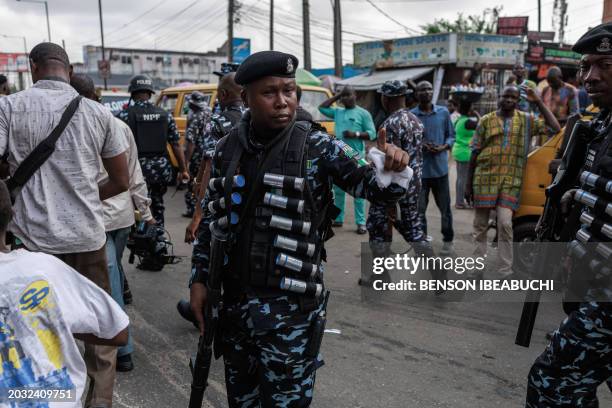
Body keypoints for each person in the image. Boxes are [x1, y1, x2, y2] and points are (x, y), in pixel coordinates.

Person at [189, 50, 409, 407]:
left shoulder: (316, 144)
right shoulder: (228, 147)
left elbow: (375, 189)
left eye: (289, 91)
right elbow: (214, 222)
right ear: (246, 98)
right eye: (270, 92)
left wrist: (392, 167)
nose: (282, 102)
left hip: (290, 312)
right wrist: (198, 278)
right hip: (234, 308)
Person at [0, 42, 129, 407]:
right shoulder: (98, 113)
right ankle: (99, 401)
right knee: (99, 335)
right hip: (87, 238)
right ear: (68, 71)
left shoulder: (9, 106)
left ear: (33, 67)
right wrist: (84, 198)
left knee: (39, 330)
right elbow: (120, 180)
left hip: (32, 244)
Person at [525, 22, 612, 408]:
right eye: (587, 66)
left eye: (605, 65)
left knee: (551, 382)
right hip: (590, 282)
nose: (591, 76)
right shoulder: (601, 125)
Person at [0, 180, 130, 408]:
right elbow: (118, 333)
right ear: (11, 217)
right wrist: (53, 324)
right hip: (60, 399)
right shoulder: (43, 268)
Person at [70, 73, 153, 372]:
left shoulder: (78, 128)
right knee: (114, 274)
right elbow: (134, 173)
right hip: (121, 217)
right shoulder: (119, 125)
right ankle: (120, 345)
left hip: (100, 219)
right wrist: (145, 211)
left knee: (109, 284)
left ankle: (124, 349)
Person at [465, 85, 560, 278]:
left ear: (518, 101)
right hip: (484, 179)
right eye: (505, 96)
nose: (509, 99)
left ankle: (504, 271)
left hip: (511, 181)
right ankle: (476, 269)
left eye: (513, 97)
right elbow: (474, 152)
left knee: (506, 224)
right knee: (480, 225)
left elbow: (554, 128)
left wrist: (539, 101)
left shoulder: (526, 120)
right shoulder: (486, 120)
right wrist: (467, 185)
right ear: (499, 97)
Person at [178, 71, 246, 325]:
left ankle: (202, 311)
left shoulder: (218, 121)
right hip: (248, 206)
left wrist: (197, 216)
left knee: (205, 255)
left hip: (219, 205)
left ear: (225, 94)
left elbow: (208, 165)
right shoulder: (255, 120)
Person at [365, 80, 444, 291]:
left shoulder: (390, 124)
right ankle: (438, 276)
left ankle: (381, 277)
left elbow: (389, 165)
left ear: (386, 98)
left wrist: (388, 198)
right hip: (413, 187)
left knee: (376, 228)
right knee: (415, 231)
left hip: (393, 189)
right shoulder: (415, 120)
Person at [117, 74, 188, 227]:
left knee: (136, 207)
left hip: (136, 171)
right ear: (149, 93)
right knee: (158, 204)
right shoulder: (165, 115)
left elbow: (117, 148)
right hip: (160, 170)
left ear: (133, 93)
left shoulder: (124, 115)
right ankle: (159, 237)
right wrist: (183, 169)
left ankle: (139, 239)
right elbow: (176, 144)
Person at [319, 85, 377, 234]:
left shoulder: (363, 113)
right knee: (338, 190)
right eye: (343, 96)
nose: (345, 98)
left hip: (356, 156)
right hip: (339, 156)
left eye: (348, 95)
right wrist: (338, 96)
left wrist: (355, 134)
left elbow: (372, 134)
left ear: (355, 95)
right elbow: (322, 108)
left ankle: (361, 222)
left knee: (359, 190)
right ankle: (338, 218)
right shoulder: (338, 112)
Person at [411, 81, 456, 254]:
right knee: (419, 211)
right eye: (422, 89)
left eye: (429, 89)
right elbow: (407, 140)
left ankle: (448, 242)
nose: (427, 92)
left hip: (440, 171)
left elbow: (451, 136)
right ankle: (423, 244)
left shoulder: (443, 113)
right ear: (417, 93)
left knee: (445, 210)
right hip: (420, 172)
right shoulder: (412, 115)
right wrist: (420, 145)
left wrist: (443, 147)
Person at [183, 91, 213, 218]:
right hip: (210, 153)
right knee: (207, 182)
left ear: (192, 104)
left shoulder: (196, 116)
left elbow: (191, 142)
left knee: (193, 182)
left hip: (198, 156)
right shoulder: (210, 113)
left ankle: (193, 210)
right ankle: (206, 208)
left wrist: (185, 163)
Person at [451, 99, 479, 209]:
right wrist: (476, 113)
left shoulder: (459, 120)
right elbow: (482, 124)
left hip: (458, 150)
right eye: (471, 107)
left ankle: (459, 201)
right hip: (465, 152)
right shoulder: (468, 122)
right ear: (468, 109)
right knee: (464, 179)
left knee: (460, 178)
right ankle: (460, 202)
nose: (473, 109)